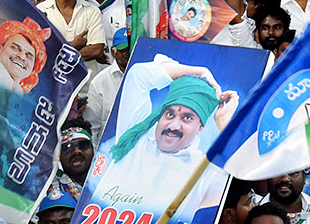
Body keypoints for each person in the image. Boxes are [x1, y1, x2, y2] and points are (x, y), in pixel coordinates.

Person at [90, 54, 238, 220]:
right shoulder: (134, 136)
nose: (174, 126)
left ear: (201, 127)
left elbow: (241, 171)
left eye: (187, 118)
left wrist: (224, 124)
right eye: (169, 114)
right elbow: (138, 75)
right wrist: (200, 71)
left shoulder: (204, 171)